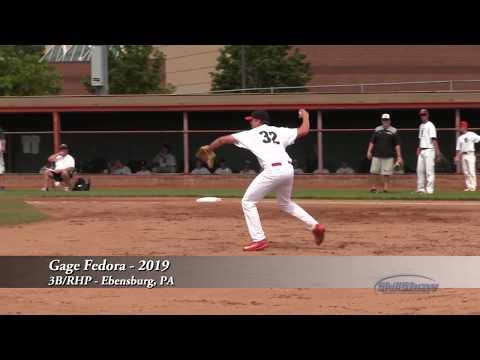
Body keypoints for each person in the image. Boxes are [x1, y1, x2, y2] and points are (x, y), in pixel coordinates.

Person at [203, 109, 325, 251]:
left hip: (273, 170)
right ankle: (315, 226)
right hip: (288, 169)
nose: (251, 123)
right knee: (285, 203)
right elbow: (304, 130)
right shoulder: (279, 131)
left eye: (252, 121)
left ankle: (259, 239)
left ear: (258, 121)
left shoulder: (250, 134)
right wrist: (306, 116)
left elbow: (222, 140)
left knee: (248, 202)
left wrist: (209, 149)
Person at [366, 113, 403, 193]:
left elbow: (397, 144)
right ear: (381, 120)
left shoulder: (394, 130)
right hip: (377, 154)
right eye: (384, 120)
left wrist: (399, 156)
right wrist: (369, 151)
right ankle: (374, 187)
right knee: (374, 171)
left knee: (387, 173)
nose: (385, 122)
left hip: (388, 155)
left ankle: (385, 188)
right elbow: (372, 142)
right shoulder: (377, 129)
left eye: (387, 120)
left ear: (389, 121)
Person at [416, 109, 440, 194]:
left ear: (427, 115)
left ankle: (429, 190)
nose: (423, 116)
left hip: (429, 150)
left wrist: (437, 152)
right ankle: (420, 189)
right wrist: (418, 148)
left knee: (429, 171)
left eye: (424, 114)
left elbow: (434, 139)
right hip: (422, 150)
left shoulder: (431, 125)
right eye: (421, 115)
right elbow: (420, 138)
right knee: (420, 170)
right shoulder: (421, 126)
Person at [454, 120, 480, 191]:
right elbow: (458, 149)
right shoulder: (460, 138)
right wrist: (457, 156)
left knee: (471, 171)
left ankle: (473, 187)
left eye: (461, 126)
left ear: (465, 127)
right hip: (463, 155)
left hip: (470, 154)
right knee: (466, 172)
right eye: (460, 127)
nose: (460, 128)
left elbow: (478, 139)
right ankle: (468, 186)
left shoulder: (471, 134)